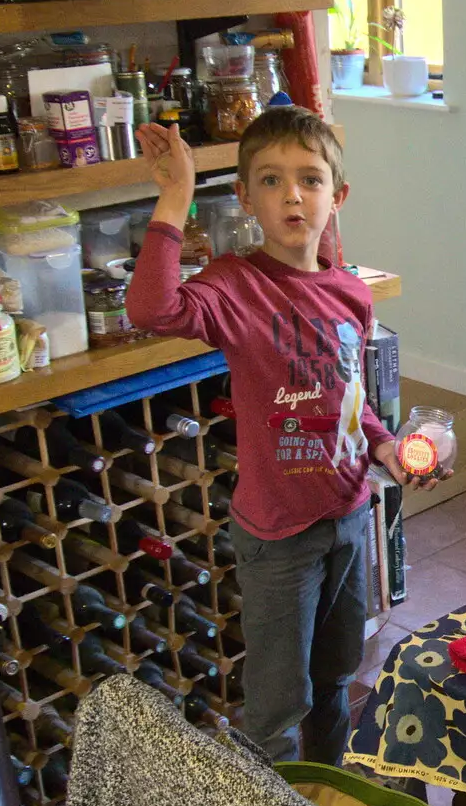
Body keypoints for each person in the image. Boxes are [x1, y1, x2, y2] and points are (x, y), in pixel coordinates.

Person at [129, 107, 444, 765]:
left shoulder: (350, 293)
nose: (293, 195)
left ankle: (326, 805)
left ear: (338, 196)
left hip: (350, 520)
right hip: (278, 539)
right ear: (245, 197)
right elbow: (153, 309)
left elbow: (354, 403)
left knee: (336, 681)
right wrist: (175, 195)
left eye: (309, 178)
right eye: (271, 181)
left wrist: (388, 447)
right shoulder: (234, 285)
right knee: (277, 706)